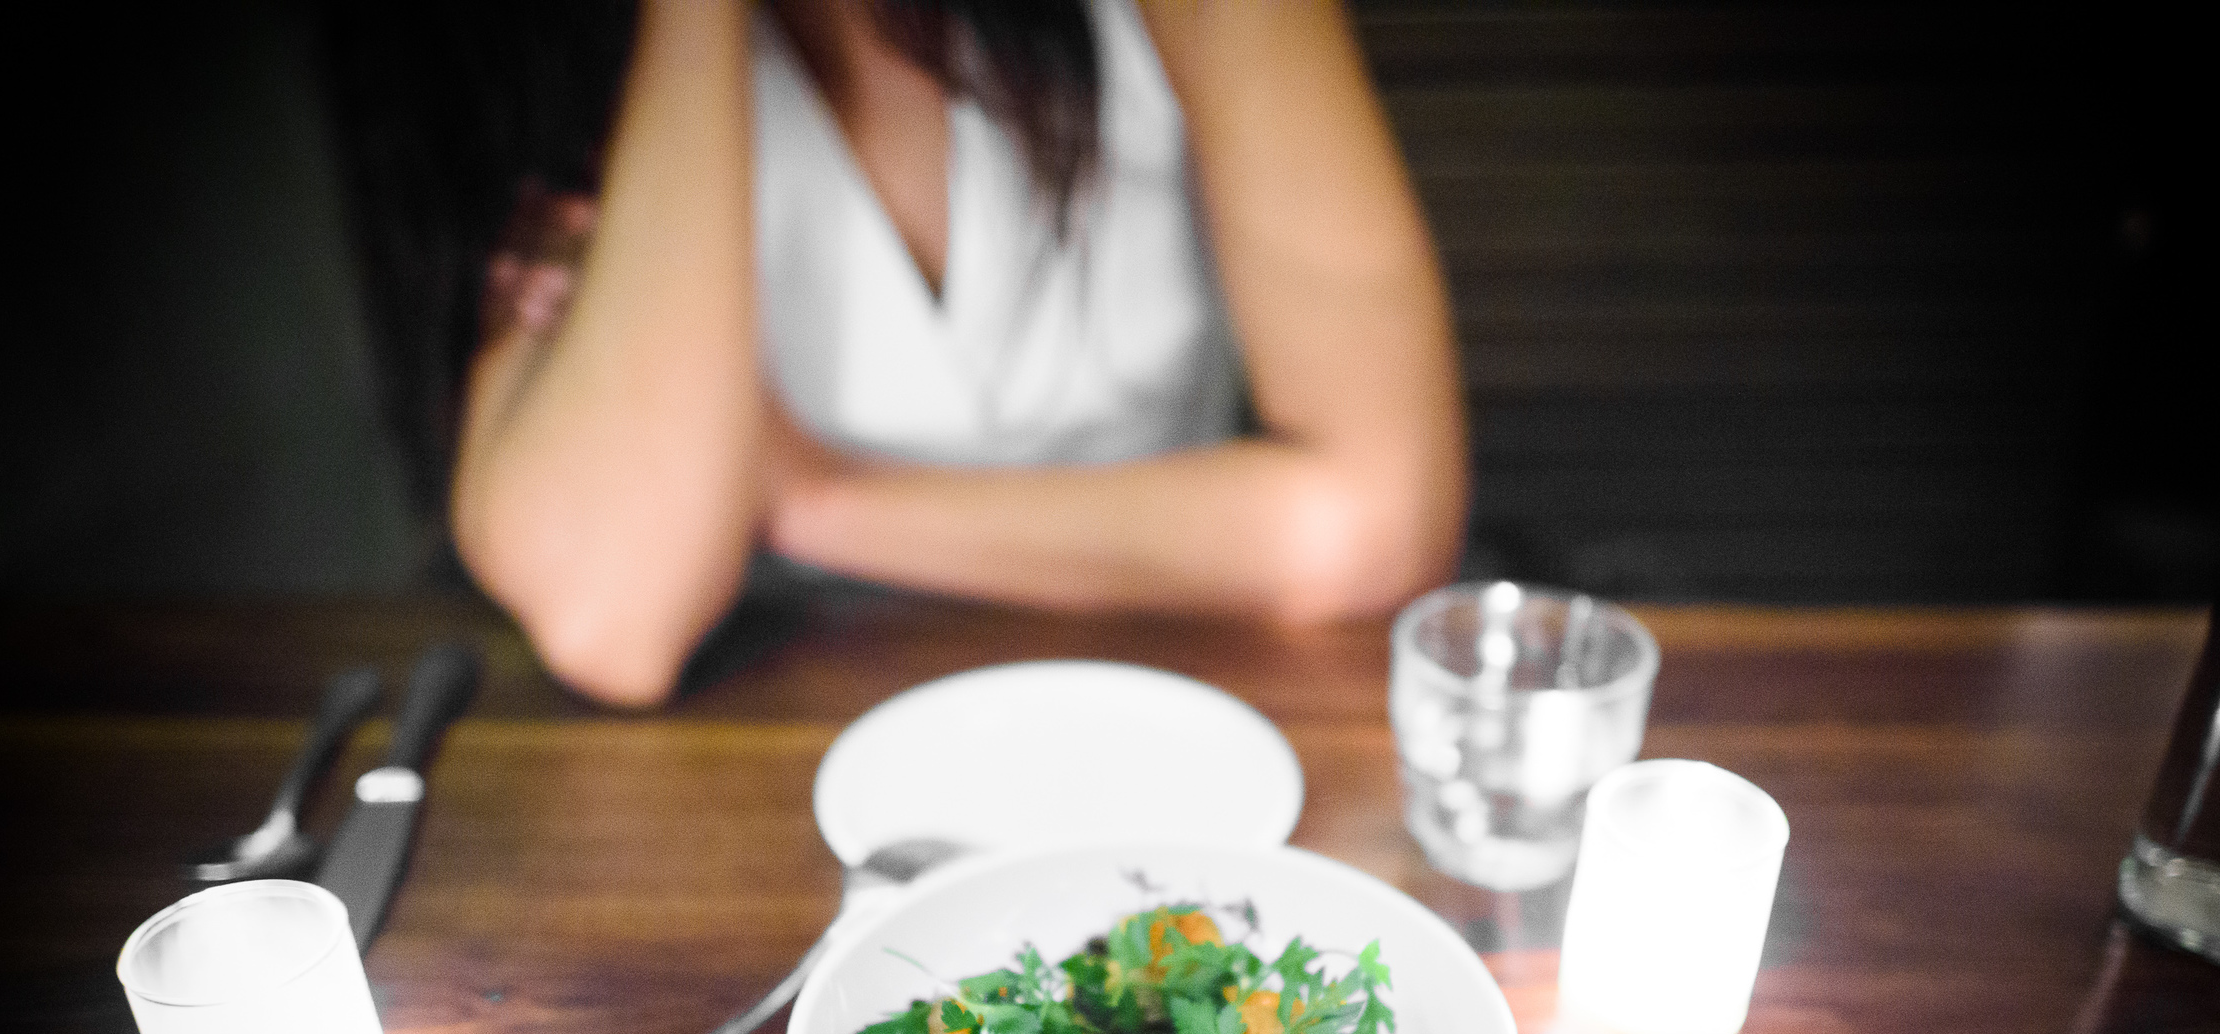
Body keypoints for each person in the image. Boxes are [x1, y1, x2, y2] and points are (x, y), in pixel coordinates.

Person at [452, 0, 1466, 706]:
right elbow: (614, 619)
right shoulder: (566, 65)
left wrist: (807, 495)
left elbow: (1375, 523)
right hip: (776, 694)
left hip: (1181, 659)